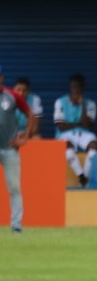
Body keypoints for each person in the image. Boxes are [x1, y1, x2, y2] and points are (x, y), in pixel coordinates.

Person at [1, 65, 38, 233]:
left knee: (14, 187)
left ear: (1, 78)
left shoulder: (13, 96)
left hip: (10, 149)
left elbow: (30, 114)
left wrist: (25, 137)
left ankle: (16, 225)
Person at [53, 73, 97, 187]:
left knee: (94, 147)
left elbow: (87, 125)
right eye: (74, 87)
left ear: (83, 88)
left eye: (79, 87)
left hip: (84, 133)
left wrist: (83, 105)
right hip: (65, 134)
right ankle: (81, 177)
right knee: (66, 148)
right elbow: (61, 126)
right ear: (70, 87)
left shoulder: (90, 104)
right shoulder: (60, 102)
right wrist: (78, 124)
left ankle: (85, 178)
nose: (76, 90)